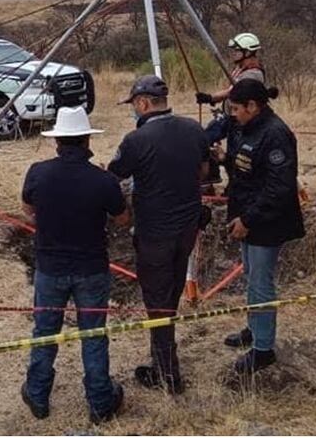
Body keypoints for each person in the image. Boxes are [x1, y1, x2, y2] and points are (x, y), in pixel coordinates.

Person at [20, 106, 128, 423]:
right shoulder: (103, 179)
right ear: (86, 142)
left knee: (45, 333)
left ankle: (38, 395)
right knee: (93, 335)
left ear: (58, 141)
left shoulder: (38, 172)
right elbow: (122, 219)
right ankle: (100, 402)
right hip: (91, 268)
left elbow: (27, 208)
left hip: (50, 268)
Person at [108, 75, 209, 394]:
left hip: (155, 235)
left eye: (133, 106)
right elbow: (205, 171)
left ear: (142, 104)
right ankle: (162, 359)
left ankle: (168, 375)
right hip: (187, 230)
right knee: (171, 296)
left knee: (156, 303)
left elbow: (115, 176)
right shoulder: (194, 129)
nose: (133, 112)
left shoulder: (136, 141)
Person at [217, 78, 304, 375]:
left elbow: (278, 188)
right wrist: (225, 159)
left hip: (267, 222)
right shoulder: (248, 128)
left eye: (237, 109)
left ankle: (263, 349)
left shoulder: (276, 134)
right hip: (247, 216)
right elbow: (246, 168)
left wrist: (248, 219)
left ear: (253, 106)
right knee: (251, 276)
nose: (233, 114)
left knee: (261, 282)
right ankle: (254, 329)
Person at [195, 32, 266, 145]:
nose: (233, 53)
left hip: (242, 118)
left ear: (247, 52)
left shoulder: (253, 74)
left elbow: (233, 92)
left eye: (237, 51)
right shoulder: (240, 68)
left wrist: (210, 98)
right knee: (205, 139)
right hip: (230, 116)